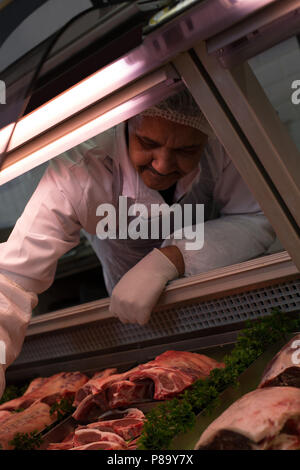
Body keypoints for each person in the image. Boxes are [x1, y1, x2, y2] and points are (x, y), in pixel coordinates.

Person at [0, 90, 276, 396]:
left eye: (186, 150)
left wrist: (173, 257)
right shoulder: (79, 170)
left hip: (222, 296)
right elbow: (12, 280)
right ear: (128, 125)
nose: (162, 165)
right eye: (148, 144)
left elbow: (257, 217)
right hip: (132, 315)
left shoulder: (221, 143)